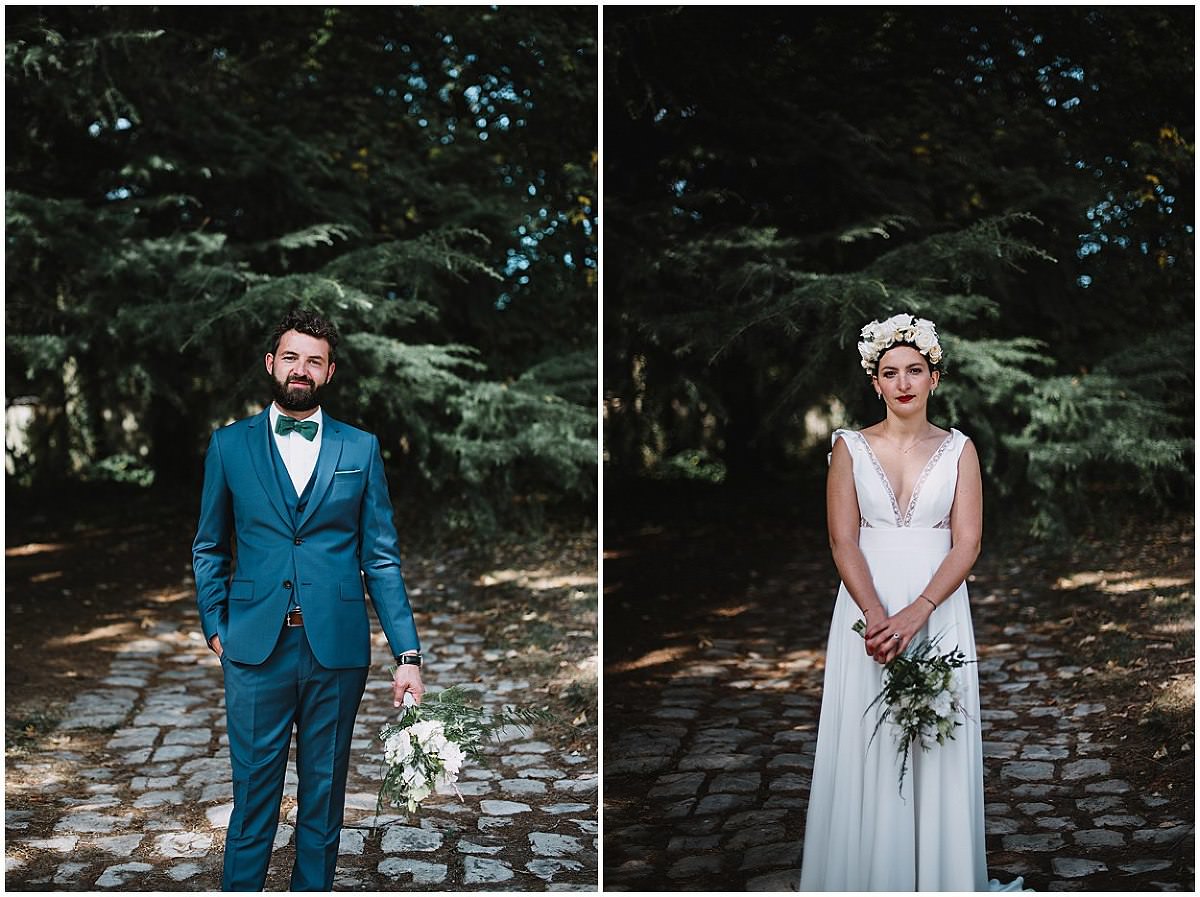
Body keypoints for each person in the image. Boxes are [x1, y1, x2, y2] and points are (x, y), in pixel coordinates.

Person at [193, 308, 425, 891]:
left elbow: (381, 558)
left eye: (314, 361)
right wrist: (217, 627)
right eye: (291, 357)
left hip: (336, 650)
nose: (301, 369)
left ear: (329, 372)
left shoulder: (361, 448)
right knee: (253, 797)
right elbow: (209, 546)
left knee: (324, 795)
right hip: (254, 649)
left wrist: (408, 655)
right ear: (271, 363)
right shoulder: (229, 445)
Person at [799, 313, 1024, 891]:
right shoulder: (849, 448)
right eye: (890, 372)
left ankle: (938, 877)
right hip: (865, 610)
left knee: (937, 737)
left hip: (938, 607)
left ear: (934, 378)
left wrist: (918, 611)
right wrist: (877, 617)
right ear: (875, 383)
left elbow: (967, 543)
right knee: (867, 736)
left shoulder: (960, 450)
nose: (903, 382)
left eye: (915, 370)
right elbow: (842, 540)